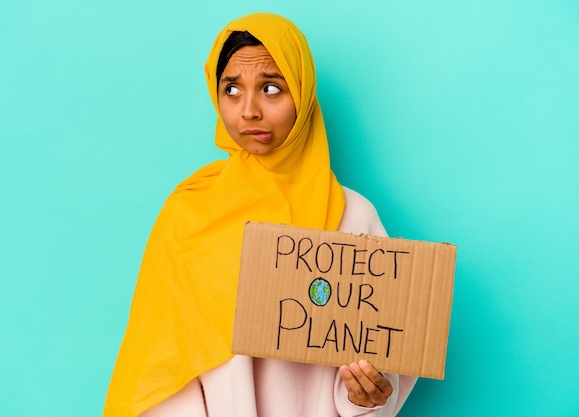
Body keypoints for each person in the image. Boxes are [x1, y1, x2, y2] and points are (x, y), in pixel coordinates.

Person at [103, 12, 416, 417]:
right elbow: (160, 366)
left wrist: (364, 396)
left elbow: (384, 361)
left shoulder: (353, 216)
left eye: (271, 88)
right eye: (231, 89)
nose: (249, 110)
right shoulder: (191, 210)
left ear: (301, 96)